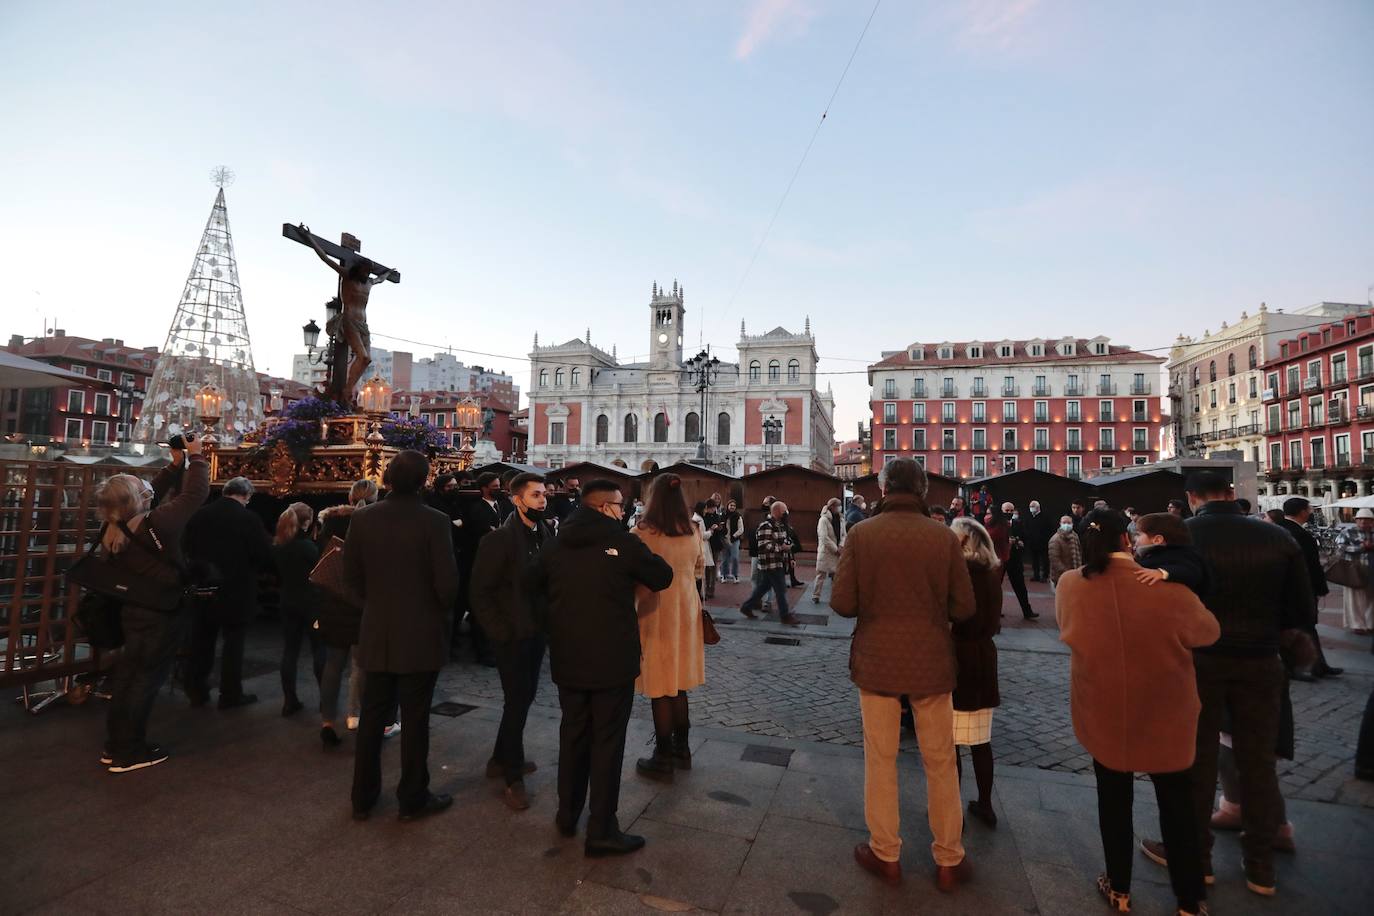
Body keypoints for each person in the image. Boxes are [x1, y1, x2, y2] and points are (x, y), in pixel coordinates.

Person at [1140, 472, 1314, 898]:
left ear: (1191, 497)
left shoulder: (1185, 540)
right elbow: (1302, 609)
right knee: (1258, 762)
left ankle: (1197, 860)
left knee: (1195, 760)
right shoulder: (1276, 538)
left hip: (1200, 661)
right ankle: (1260, 867)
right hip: (1260, 660)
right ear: (1232, 494)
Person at [1056, 509, 1219, 916]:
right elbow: (1208, 632)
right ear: (1128, 540)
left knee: (1113, 799)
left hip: (1103, 706)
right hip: (1167, 707)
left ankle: (1119, 888)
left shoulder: (1071, 584)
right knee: (1177, 804)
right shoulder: (1168, 587)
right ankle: (1189, 899)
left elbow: (1067, 630)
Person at [830, 457, 975, 892]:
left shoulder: (861, 534)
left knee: (880, 758)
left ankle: (885, 852)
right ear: (924, 489)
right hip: (931, 662)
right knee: (941, 760)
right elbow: (965, 607)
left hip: (877, 661)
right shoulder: (944, 538)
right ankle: (949, 858)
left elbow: (842, 603)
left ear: (883, 487)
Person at [527, 480, 673, 856]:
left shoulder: (556, 541)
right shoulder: (622, 541)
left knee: (572, 733)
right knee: (607, 742)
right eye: (620, 505)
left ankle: (566, 812)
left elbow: (531, 584)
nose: (624, 510)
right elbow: (661, 576)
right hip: (612, 658)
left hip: (568, 655)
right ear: (606, 507)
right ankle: (602, 828)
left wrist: (555, 620)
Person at [345, 450, 460, 822]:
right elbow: (447, 585)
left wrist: (376, 606)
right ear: (425, 480)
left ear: (388, 479)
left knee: (372, 715)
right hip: (421, 633)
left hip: (377, 629)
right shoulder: (436, 521)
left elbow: (352, 579)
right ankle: (413, 795)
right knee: (415, 718)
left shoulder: (363, 519)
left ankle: (362, 795)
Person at [98, 437, 209, 772]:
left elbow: (149, 494)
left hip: (131, 609)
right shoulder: (155, 524)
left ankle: (115, 743)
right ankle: (129, 752)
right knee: (145, 680)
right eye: (141, 488)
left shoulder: (114, 525)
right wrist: (198, 457)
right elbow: (195, 495)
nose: (148, 490)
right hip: (159, 611)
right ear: (137, 499)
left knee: (128, 677)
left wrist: (175, 466)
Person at [470, 472, 555, 811]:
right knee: (517, 701)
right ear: (517, 499)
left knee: (523, 698)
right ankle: (512, 775)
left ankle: (498, 758)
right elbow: (480, 592)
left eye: (544, 495)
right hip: (511, 635)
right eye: (536, 495)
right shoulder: (499, 540)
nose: (543, 500)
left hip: (536, 632)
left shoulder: (545, 533)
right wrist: (499, 631)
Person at [630, 474, 705, 779]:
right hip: (686, 610)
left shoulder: (642, 533)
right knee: (679, 683)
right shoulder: (692, 531)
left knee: (660, 686)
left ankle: (662, 756)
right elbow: (699, 568)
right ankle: (682, 749)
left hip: (655, 610)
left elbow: (631, 573)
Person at [184, 476, 271, 710]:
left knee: (201, 639)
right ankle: (230, 693)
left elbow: (187, 546)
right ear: (246, 496)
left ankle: (196, 690)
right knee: (234, 643)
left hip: (203, 586)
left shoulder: (200, 514)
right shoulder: (248, 518)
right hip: (237, 589)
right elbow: (263, 553)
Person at [316, 480, 380, 748]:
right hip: (361, 603)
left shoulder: (329, 523)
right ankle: (355, 716)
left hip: (332, 601)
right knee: (360, 666)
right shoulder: (374, 525)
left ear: (350, 497)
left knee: (333, 664)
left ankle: (327, 721)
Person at [948, 517, 1002, 829]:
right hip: (984, 658)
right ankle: (985, 804)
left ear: (966, 542)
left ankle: (950, 805)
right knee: (981, 741)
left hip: (959, 658)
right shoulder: (992, 574)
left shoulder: (960, 574)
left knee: (951, 742)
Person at [1278, 497, 1340, 678]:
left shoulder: (1277, 530)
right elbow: (1310, 565)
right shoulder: (1300, 534)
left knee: (1301, 627)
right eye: (1309, 509)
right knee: (1305, 626)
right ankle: (1309, 666)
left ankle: (1317, 665)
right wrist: (1320, 588)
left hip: (1286, 588)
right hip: (1300, 590)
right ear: (1302, 512)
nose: (1311, 512)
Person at [273, 504, 323, 718]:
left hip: (288, 600)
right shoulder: (308, 547)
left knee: (290, 651)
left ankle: (289, 700)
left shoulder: (279, 545)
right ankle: (325, 699)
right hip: (311, 603)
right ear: (307, 522)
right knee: (320, 651)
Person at [458, 472, 504, 665]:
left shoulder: (501, 505)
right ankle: (483, 652)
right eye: (495, 486)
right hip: (479, 563)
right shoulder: (477, 508)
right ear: (485, 488)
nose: (498, 489)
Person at [740, 502, 798, 625]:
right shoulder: (765, 526)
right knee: (781, 590)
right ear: (776, 512)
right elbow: (764, 546)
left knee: (763, 587)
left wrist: (790, 555)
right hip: (771, 564)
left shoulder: (781, 525)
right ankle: (785, 615)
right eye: (784, 511)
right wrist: (782, 548)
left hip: (779, 563)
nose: (786, 513)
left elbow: (785, 542)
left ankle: (747, 606)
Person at [1130, 512, 1210, 597]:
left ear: (1157, 540)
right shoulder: (1150, 554)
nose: (1135, 539)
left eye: (1138, 535)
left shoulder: (1181, 554)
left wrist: (1162, 572)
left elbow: (1191, 571)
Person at [1337, 508, 1374, 635]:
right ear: (1356, 520)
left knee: (1371, 596)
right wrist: (1361, 547)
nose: (1364, 522)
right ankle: (1357, 624)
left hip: (1371, 567)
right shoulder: (1347, 531)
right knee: (1354, 598)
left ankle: (1370, 623)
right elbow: (1341, 547)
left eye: (1368, 519)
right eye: (1361, 519)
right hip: (1354, 568)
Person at [998, 502, 1037, 619]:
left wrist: (1020, 543)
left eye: (1011, 511)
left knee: (1020, 586)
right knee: (996, 586)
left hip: (1014, 559)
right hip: (1001, 559)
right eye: (1006, 511)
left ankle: (1027, 611)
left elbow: (1025, 537)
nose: (1009, 513)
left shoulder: (1018, 523)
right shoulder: (997, 525)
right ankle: (996, 610)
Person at [813, 497, 845, 604]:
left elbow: (844, 534)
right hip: (826, 551)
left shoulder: (841, 519)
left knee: (837, 575)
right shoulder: (824, 520)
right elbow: (823, 537)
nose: (840, 508)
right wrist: (835, 549)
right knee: (821, 574)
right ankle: (816, 595)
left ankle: (836, 595)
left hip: (838, 550)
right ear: (832, 506)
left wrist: (841, 545)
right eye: (838, 505)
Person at [1048, 515, 1082, 588]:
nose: (1066, 525)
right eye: (1064, 522)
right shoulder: (1055, 540)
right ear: (1060, 524)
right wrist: (1067, 572)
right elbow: (1055, 560)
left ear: (1072, 524)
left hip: (1074, 574)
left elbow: (1079, 553)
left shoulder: (1075, 537)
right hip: (1060, 576)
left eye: (1069, 523)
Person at [1023, 499, 1052, 582]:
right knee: (1034, 560)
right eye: (1030, 506)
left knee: (1044, 560)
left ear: (1038, 507)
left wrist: (1046, 539)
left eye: (1033, 506)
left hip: (1043, 543)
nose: (1031, 508)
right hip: (1032, 543)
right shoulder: (1028, 517)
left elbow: (1050, 529)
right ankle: (1036, 575)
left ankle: (1045, 576)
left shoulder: (1045, 517)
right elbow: (1025, 528)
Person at [720, 499, 743, 582]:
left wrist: (734, 536)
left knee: (735, 558)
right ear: (728, 506)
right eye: (731, 505)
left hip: (735, 540)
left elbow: (741, 529)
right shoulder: (723, 515)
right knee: (725, 559)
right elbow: (720, 526)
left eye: (734, 506)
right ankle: (724, 575)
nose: (732, 507)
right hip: (725, 539)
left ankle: (735, 575)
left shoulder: (738, 516)